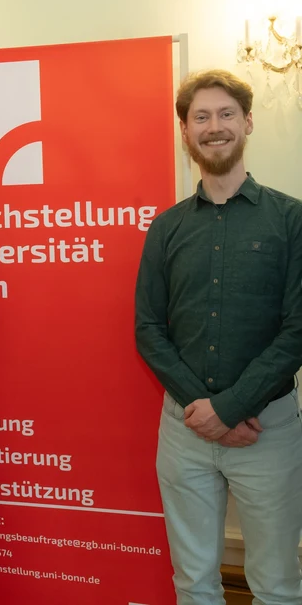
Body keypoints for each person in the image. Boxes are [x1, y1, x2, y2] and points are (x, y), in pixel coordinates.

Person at [135, 69, 302, 604]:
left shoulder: (291, 219)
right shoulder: (166, 227)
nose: (214, 127)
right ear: (185, 131)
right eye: (201, 117)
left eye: (226, 114)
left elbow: (298, 329)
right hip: (184, 430)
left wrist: (228, 408)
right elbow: (148, 329)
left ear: (247, 122)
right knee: (193, 583)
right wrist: (204, 411)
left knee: (277, 585)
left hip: (268, 430)